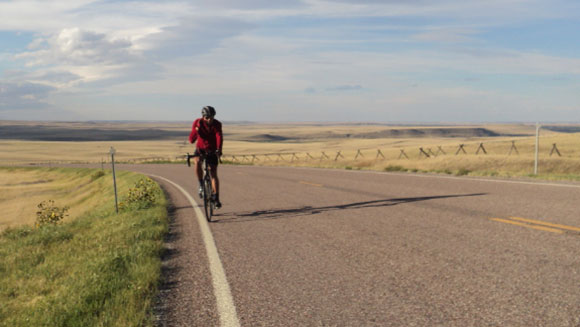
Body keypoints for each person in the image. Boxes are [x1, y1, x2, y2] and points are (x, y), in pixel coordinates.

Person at [189, 105, 223, 208]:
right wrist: (196, 130)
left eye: (211, 117)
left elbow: (219, 136)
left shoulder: (217, 124)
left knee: (213, 173)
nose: (209, 120)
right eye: (207, 117)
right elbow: (191, 139)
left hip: (212, 150)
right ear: (203, 117)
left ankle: (216, 197)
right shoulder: (198, 122)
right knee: (197, 162)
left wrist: (219, 149)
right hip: (200, 149)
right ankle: (200, 184)